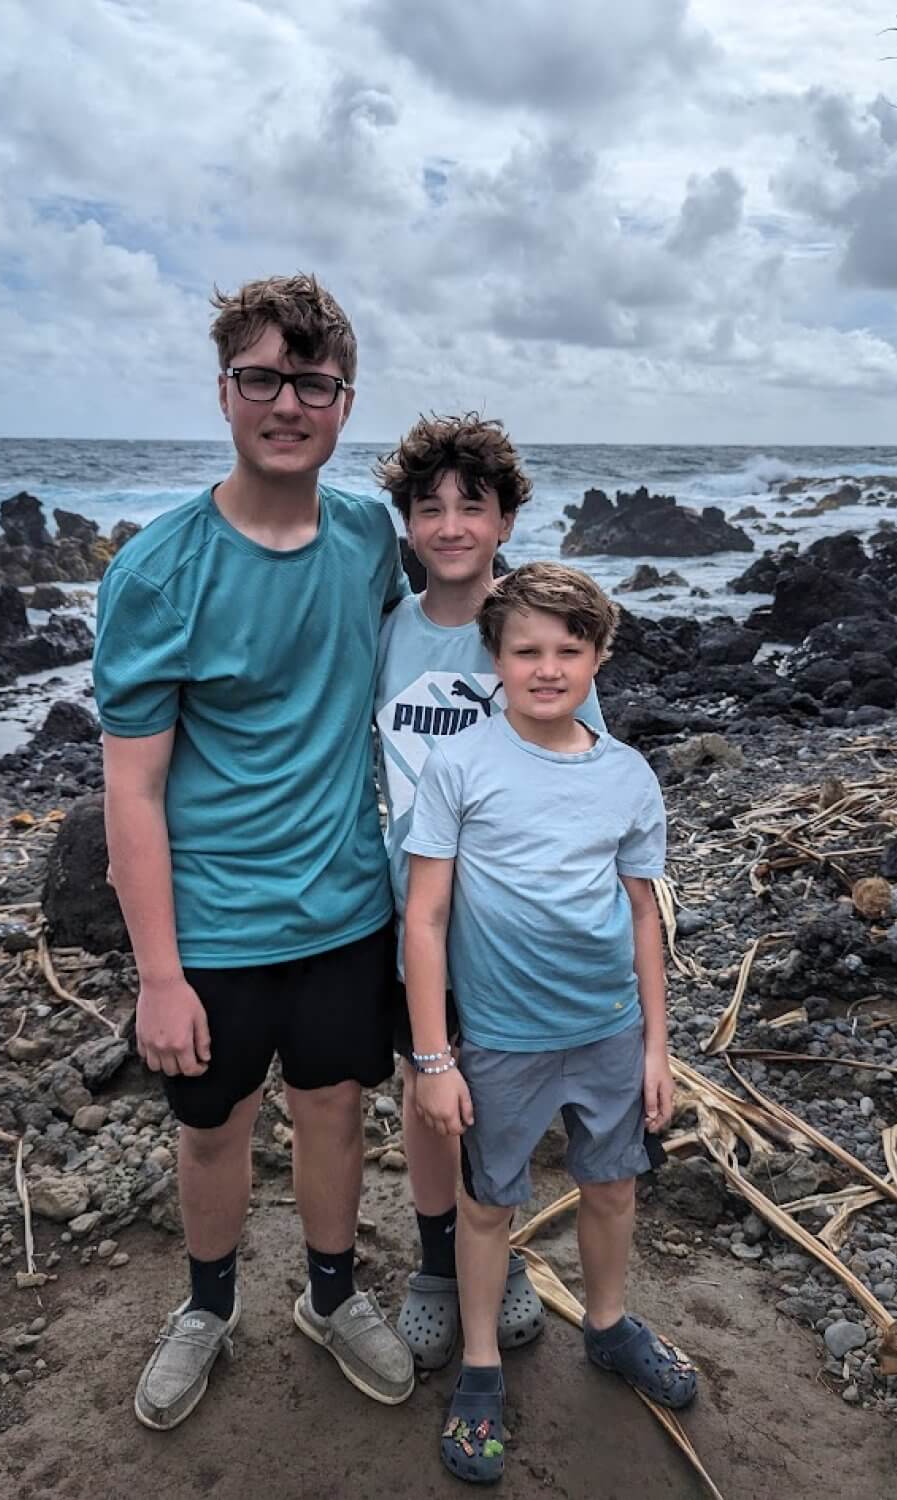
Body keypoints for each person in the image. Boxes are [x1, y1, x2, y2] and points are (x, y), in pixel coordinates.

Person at [93, 274, 415, 1431]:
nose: (289, 402)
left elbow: (447, 635)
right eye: (264, 378)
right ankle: (207, 1309)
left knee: (334, 1110)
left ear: (343, 401)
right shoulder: (156, 572)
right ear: (224, 389)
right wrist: (158, 976)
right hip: (213, 923)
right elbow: (130, 790)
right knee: (213, 1126)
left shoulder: (373, 536)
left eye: (313, 382)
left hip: (344, 907)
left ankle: (331, 1297)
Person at [403, 562, 697, 1485]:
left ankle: (607, 1324)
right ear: (493, 658)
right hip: (499, 1040)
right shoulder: (459, 764)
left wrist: (658, 1046)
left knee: (612, 1187)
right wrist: (434, 1056)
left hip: (609, 1031)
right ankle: (482, 1364)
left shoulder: (627, 774)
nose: (546, 667)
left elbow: (645, 914)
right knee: (488, 1205)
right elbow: (427, 917)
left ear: (599, 659)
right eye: (525, 649)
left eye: (569, 649)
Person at [374, 416, 604, 1369]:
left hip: (511, 931)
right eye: (430, 507)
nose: (452, 523)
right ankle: (438, 1263)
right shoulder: (387, 630)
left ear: (507, 519)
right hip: (413, 923)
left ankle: (494, 1251)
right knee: (429, 1095)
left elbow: (582, 774)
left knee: (505, 1106)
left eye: (474, 504)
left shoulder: (534, 637)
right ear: (408, 524)